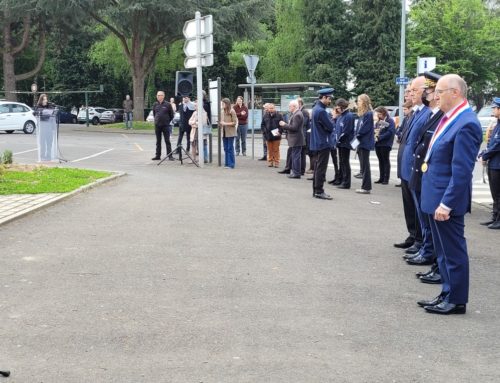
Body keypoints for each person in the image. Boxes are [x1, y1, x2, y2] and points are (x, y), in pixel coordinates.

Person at [417, 74, 482, 315]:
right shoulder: (450, 118)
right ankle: (446, 292)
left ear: (455, 93)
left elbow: (462, 171)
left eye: (440, 91)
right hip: (436, 197)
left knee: (453, 252)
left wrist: (446, 203)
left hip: (446, 201)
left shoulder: (466, 123)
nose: (435, 96)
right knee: (443, 252)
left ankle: (456, 299)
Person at [405, 71, 443, 271]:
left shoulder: (439, 116)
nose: (428, 94)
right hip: (420, 172)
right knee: (424, 218)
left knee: (431, 223)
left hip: (429, 176)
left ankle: (430, 254)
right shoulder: (431, 115)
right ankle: (427, 251)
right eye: (427, 90)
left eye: (430, 90)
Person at [395, 77, 430, 253]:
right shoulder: (414, 113)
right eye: (409, 91)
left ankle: (420, 239)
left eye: (413, 90)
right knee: (409, 205)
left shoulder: (426, 114)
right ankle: (414, 235)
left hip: (413, 168)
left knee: (418, 208)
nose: (409, 94)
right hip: (406, 167)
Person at [478, 96, 500, 229]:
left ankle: (499, 219)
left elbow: (497, 144)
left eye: (495, 108)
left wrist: (485, 155)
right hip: (493, 163)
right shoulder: (497, 124)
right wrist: (483, 153)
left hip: (498, 165)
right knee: (494, 192)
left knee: (498, 193)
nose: (493, 109)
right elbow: (491, 142)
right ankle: (495, 216)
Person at [310, 88, 335, 200]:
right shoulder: (321, 111)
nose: (330, 101)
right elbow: (330, 127)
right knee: (321, 168)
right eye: (329, 98)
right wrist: (333, 119)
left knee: (317, 167)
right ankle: (319, 191)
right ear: (323, 97)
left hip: (318, 142)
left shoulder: (316, 109)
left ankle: (316, 190)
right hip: (323, 142)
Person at [354, 94, 375, 194]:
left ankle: (366, 187)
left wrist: (357, 136)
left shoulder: (368, 114)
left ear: (364, 102)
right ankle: (365, 186)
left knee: (365, 165)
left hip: (364, 142)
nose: (358, 102)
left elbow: (364, 129)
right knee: (363, 165)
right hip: (361, 142)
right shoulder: (363, 114)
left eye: (359, 101)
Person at [332, 98, 355, 189]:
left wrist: (339, 140)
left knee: (345, 162)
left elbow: (346, 131)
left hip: (345, 142)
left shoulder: (348, 116)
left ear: (342, 107)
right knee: (341, 161)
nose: (336, 109)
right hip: (340, 142)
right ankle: (341, 179)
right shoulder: (341, 116)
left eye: (338, 107)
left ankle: (346, 182)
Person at [279, 100, 304, 179]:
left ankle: (296, 173)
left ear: (294, 106)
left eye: (290, 106)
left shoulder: (297, 115)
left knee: (296, 156)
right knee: (295, 155)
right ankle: (295, 172)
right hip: (295, 138)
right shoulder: (296, 114)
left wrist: (284, 125)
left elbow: (294, 128)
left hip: (296, 139)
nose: (289, 107)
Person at [373, 106, 396, 185]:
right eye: (377, 114)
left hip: (385, 144)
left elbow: (390, 132)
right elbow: (375, 129)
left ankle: (386, 179)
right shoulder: (379, 121)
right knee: (380, 161)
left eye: (379, 114)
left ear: (383, 113)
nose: (378, 116)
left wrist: (380, 137)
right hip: (378, 143)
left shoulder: (390, 120)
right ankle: (381, 177)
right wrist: (375, 133)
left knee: (385, 160)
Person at [151, 91, 174, 161]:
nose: (158, 96)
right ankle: (158, 155)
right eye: (157, 95)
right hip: (157, 125)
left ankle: (170, 155)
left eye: (159, 95)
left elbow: (171, 115)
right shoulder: (155, 104)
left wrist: (167, 121)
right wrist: (156, 121)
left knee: (167, 141)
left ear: (163, 96)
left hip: (166, 125)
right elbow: (155, 114)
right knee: (158, 141)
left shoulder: (168, 104)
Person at [261, 103, 283, 168]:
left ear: (275, 108)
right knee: (269, 150)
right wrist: (264, 132)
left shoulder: (279, 115)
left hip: (276, 136)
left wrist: (280, 131)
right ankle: (270, 162)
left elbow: (282, 125)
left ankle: (276, 162)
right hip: (268, 136)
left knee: (276, 150)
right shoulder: (265, 115)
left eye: (272, 108)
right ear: (268, 109)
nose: (271, 109)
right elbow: (262, 125)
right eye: (270, 108)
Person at [220, 98, 238, 168]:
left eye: (223, 104)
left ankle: (231, 164)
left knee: (230, 148)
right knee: (225, 148)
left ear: (227, 104)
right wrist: (220, 123)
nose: (222, 105)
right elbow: (222, 121)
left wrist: (225, 123)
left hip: (230, 133)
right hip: (224, 132)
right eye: (222, 103)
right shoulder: (222, 111)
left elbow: (235, 122)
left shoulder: (232, 111)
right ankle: (227, 163)